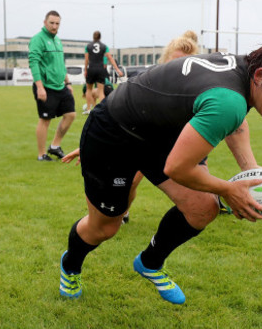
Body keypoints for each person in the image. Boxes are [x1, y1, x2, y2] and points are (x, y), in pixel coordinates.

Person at [58, 38, 262, 304]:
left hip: (154, 133)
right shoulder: (230, 98)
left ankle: (149, 263)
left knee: (203, 206)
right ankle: (71, 266)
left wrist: (250, 170)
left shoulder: (246, 72)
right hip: (114, 136)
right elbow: (178, 168)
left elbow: (236, 120)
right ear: (261, 75)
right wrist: (229, 190)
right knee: (105, 228)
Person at [64, 31, 201, 222]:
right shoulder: (147, 83)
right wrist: (94, 146)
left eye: (186, 63)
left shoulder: (197, 93)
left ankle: (212, 202)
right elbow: (117, 118)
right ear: (165, 60)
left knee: (199, 187)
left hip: (170, 146)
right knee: (132, 181)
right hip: (140, 143)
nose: (180, 67)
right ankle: (122, 212)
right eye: (176, 61)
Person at [28, 10, 76, 161]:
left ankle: (55, 146)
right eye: (52, 23)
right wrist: (40, 87)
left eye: (57, 23)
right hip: (45, 87)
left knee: (71, 115)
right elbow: (33, 63)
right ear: (45, 22)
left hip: (60, 86)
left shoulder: (57, 40)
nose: (55, 26)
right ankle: (42, 154)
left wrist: (67, 82)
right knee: (45, 120)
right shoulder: (38, 39)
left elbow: (61, 63)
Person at [83, 31, 124, 114]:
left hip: (91, 68)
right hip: (100, 69)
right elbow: (110, 57)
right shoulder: (104, 46)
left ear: (93, 37)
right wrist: (117, 69)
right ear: (100, 37)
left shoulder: (88, 46)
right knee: (101, 91)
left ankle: (88, 109)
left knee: (89, 90)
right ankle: (102, 109)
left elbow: (86, 59)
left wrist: (86, 70)